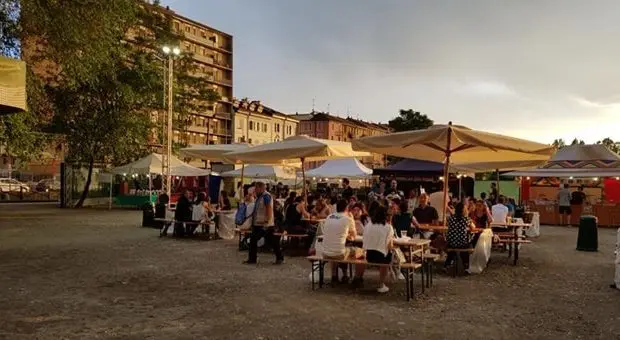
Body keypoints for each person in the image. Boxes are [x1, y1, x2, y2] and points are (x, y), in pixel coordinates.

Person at [353, 204, 394, 293]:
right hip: (381, 257)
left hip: (369, 255)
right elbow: (389, 245)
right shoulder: (388, 227)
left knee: (360, 254)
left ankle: (358, 278)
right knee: (388, 256)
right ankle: (381, 284)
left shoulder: (368, 226)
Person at [244, 182, 283, 265]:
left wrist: (267, 220)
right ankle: (253, 258)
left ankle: (253, 259)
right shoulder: (259, 197)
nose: (255, 190)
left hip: (265, 224)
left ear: (261, 188)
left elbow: (269, 208)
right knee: (267, 240)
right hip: (259, 223)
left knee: (261, 240)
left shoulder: (266, 196)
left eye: (256, 188)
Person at [322, 199, 357, 283]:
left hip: (325, 253)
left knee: (335, 247)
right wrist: (352, 218)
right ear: (346, 208)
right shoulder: (348, 218)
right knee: (355, 251)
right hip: (339, 253)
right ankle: (346, 275)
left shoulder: (329, 217)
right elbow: (354, 236)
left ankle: (334, 275)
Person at [444, 202, 476, 271]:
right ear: (463, 210)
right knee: (467, 242)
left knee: (454, 242)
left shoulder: (450, 218)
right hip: (462, 244)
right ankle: (466, 265)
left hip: (450, 243)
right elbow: (473, 228)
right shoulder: (466, 219)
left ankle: (447, 264)